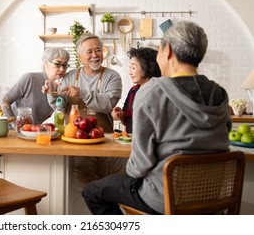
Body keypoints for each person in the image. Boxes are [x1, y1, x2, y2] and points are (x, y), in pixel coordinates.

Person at [82, 20, 231, 215]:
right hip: (211, 197)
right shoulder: (219, 93)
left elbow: (139, 165)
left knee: (93, 191)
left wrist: (133, 175)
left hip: (163, 198)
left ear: (167, 50)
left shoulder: (153, 91)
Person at [44, 33, 122, 133]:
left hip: (102, 137)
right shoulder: (70, 76)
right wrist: (52, 92)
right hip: (72, 136)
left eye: (98, 50)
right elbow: (60, 107)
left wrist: (81, 92)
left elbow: (108, 105)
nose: (94, 55)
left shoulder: (112, 76)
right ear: (79, 56)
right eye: (89, 51)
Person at [1, 47, 70, 125]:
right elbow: (4, 100)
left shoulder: (60, 88)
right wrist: (14, 125)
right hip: (12, 132)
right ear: (46, 63)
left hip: (33, 133)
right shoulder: (29, 78)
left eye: (65, 65)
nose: (62, 69)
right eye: (57, 64)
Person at [112, 47, 161, 133]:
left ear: (149, 67)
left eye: (133, 68)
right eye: (130, 67)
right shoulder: (133, 91)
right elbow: (126, 123)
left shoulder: (159, 92)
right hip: (132, 142)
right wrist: (122, 115)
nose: (130, 72)